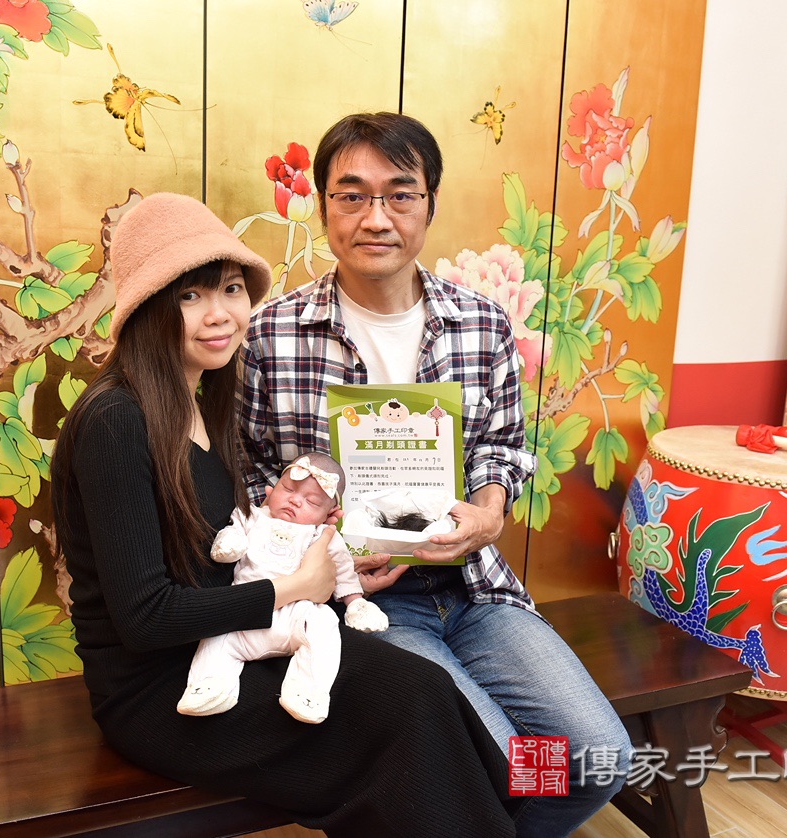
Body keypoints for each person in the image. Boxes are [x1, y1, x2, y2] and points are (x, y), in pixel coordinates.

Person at [51, 191, 519, 836]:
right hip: (167, 687)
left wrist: (333, 571)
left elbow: (232, 553)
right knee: (408, 713)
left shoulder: (205, 400)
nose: (220, 314)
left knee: (433, 695)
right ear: (146, 306)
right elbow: (145, 618)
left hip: (254, 636)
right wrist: (297, 587)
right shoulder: (116, 421)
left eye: (231, 289)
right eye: (189, 296)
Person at [241, 113, 634, 836]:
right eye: (352, 195)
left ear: (430, 204)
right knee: (500, 764)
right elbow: (252, 473)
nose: (376, 218)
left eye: (400, 194)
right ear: (323, 206)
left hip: (475, 587)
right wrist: (322, 552)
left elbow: (502, 446)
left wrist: (487, 511)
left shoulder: (482, 324)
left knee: (595, 758)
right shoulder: (272, 333)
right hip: (363, 603)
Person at [178, 452, 387, 723]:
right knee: (216, 634)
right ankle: (208, 688)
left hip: (295, 618)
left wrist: (355, 602)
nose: (295, 500)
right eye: (288, 489)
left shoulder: (322, 534)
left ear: (329, 514)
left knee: (324, 622)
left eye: (312, 501)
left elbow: (343, 570)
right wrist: (231, 541)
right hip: (245, 613)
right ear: (271, 490)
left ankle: (307, 692)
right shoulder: (253, 516)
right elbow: (235, 527)